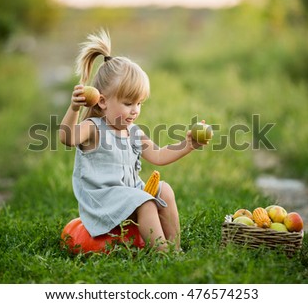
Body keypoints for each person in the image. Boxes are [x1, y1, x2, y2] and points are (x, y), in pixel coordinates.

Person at [59, 30, 209, 251]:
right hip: (104, 200)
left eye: (139, 103)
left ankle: (175, 249)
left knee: (164, 189)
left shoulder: (134, 132)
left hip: (129, 192)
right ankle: (162, 254)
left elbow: (158, 155)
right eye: (129, 103)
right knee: (145, 201)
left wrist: (188, 145)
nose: (135, 111)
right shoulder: (93, 128)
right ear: (102, 102)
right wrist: (74, 109)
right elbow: (67, 138)